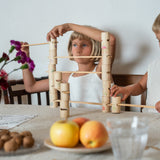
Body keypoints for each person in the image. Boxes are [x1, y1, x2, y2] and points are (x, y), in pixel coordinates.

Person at [22, 23, 116, 108]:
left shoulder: (101, 70)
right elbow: (31, 87)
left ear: (95, 47)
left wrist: (69, 27)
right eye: (74, 45)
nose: (78, 50)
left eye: (84, 45)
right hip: (78, 123)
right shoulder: (66, 77)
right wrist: (25, 57)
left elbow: (110, 39)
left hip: (102, 123)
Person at [110, 13, 160, 113]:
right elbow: (141, 86)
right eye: (158, 40)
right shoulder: (155, 65)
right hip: (149, 119)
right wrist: (127, 90)